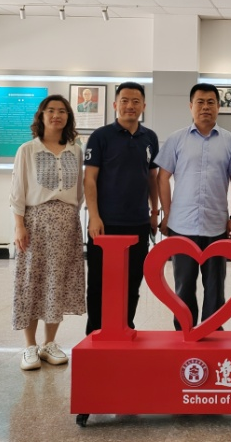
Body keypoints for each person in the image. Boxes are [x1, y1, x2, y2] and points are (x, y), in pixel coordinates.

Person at [156, 83, 231, 329]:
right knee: (183, 286)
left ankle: (212, 331)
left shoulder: (230, 141)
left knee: (215, 286)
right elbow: (162, 177)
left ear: (218, 106)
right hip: (182, 226)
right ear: (190, 106)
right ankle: (184, 332)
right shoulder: (176, 139)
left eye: (211, 102)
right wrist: (167, 213)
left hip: (216, 226)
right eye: (200, 102)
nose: (205, 107)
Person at [10, 95, 85, 370]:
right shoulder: (28, 150)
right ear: (41, 116)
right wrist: (19, 225)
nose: (57, 115)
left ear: (68, 117)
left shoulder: (75, 150)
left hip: (67, 223)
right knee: (32, 280)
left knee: (58, 281)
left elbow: (79, 191)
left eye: (62, 111)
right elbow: (18, 191)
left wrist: (70, 216)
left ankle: (49, 343)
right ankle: (29, 346)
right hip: (36, 223)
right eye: (51, 110)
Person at [84, 82, 159, 335]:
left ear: (144, 106)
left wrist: (154, 212)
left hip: (138, 223)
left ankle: (125, 328)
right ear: (115, 104)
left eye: (136, 101)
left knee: (132, 281)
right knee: (99, 282)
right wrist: (94, 217)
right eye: (125, 100)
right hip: (105, 224)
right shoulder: (101, 136)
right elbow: (90, 179)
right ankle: (95, 332)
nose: (130, 106)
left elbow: (152, 178)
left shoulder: (150, 138)